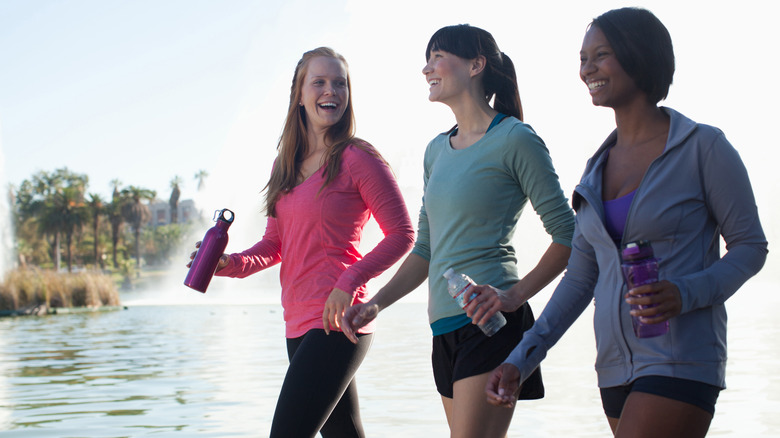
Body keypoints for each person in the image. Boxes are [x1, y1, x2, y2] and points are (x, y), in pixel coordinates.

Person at [483, 7, 768, 438]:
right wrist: (521, 359)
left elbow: (750, 246)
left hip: (681, 359)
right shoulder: (594, 172)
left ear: (640, 56)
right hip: (614, 369)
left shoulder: (702, 147)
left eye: (601, 55)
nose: (587, 69)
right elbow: (579, 282)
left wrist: (684, 293)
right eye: (583, 58)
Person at [342, 25, 575, 437]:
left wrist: (512, 295)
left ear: (476, 64)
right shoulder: (436, 150)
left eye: (437, 57)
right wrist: (376, 303)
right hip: (443, 329)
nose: (426, 68)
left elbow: (568, 235)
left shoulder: (516, 140)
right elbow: (426, 248)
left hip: (491, 325)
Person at [187, 47, 414, 438]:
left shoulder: (357, 157)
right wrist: (228, 263)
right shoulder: (285, 166)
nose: (332, 91)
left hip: (338, 320)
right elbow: (274, 245)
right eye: (320, 82)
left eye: (340, 83)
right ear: (299, 94)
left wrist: (348, 282)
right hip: (297, 322)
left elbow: (403, 234)